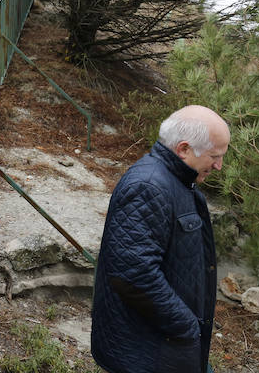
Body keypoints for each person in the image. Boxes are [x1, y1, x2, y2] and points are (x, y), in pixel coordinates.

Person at [91, 105, 229, 373]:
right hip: (148, 349)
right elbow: (133, 275)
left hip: (167, 343)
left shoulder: (179, 182)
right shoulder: (148, 187)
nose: (219, 166)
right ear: (184, 149)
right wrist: (187, 327)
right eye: (214, 156)